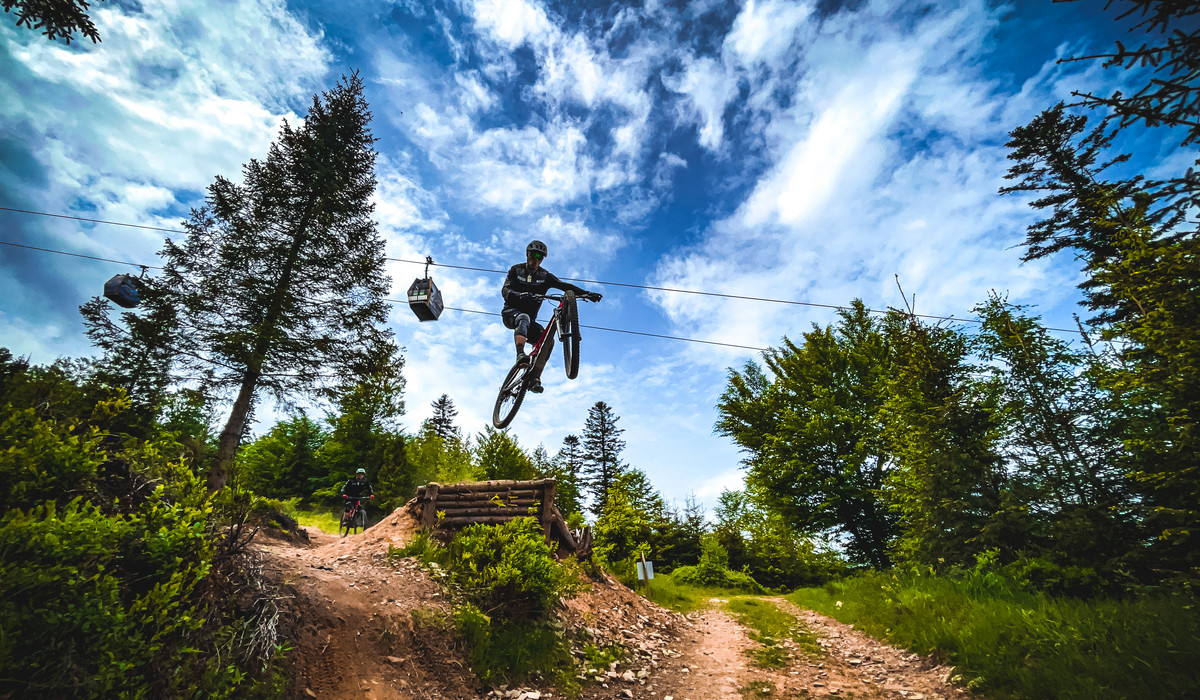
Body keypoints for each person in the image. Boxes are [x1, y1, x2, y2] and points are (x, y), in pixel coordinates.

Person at [501, 240, 602, 393]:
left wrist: (586, 293)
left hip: (530, 322)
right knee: (523, 317)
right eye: (534, 255)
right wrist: (519, 296)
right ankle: (520, 354)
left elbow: (565, 286)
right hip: (511, 313)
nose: (536, 260)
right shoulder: (516, 270)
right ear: (527, 254)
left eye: (540, 257)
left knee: (547, 340)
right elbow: (505, 290)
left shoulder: (544, 276)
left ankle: (535, 378)